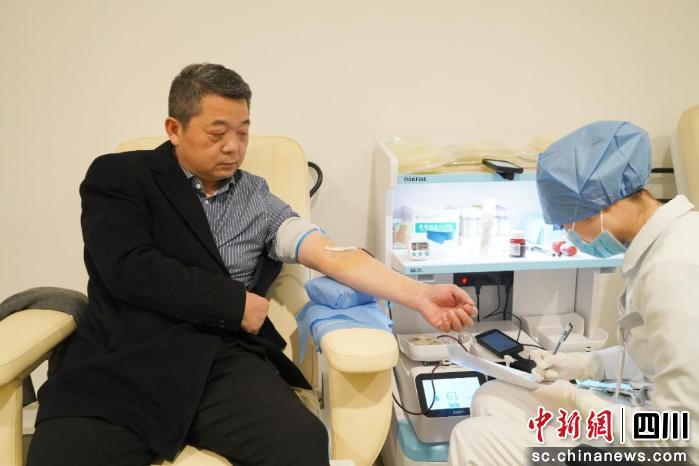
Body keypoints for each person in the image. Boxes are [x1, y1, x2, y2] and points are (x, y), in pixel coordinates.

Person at [26, 63, 478, 466]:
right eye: (217, 133)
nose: (233, 147)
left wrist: (419, 294)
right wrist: (234, 303)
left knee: (301, 443)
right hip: (125, 353)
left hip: (218, 358)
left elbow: (329, 254)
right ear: (174, 128)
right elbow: (129, 268)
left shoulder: (255, 199)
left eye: (243, 132)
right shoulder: (121, 176)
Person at [448, 121, 699, 465]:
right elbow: (655, 357)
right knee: (492, 396)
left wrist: (579, 401)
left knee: (473, 438)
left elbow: (684, 436)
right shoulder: (669, 242)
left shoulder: (674, 270)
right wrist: (582, 365)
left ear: (602, 204)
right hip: (648, 419)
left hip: (665, 448)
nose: (569, 234)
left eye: (568, 222)